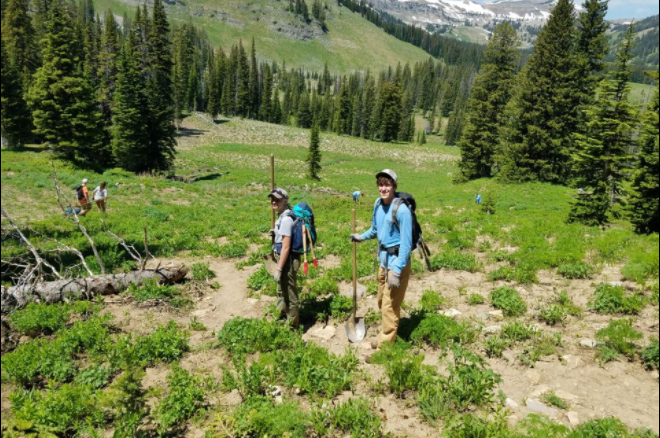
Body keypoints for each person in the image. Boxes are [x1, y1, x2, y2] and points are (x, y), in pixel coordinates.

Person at [351, 169, 413, 349]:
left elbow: (406, 245)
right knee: (381, 301)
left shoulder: (401, 210)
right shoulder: (378, 204)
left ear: (394, 186)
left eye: (387, 184)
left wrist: (398, 270)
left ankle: (386, 346)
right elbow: (375, 229)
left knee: (389, 305)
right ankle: (388, 329)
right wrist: (360, 237)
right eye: (380, 184)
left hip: (397, 264)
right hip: (383, 262)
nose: (383, 188)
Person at [269, 188, 300, 329]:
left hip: (287, 260)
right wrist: (275, 233)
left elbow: (286, 247)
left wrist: (279, 269)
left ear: (285, 201)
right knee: (282, 289)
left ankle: (293, 325)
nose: (274, 201)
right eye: (272, 199)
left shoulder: (286, 219)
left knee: (289, 291)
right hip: (283, 258)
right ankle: (282, 315)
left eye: (278, 199)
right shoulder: (281, 216)